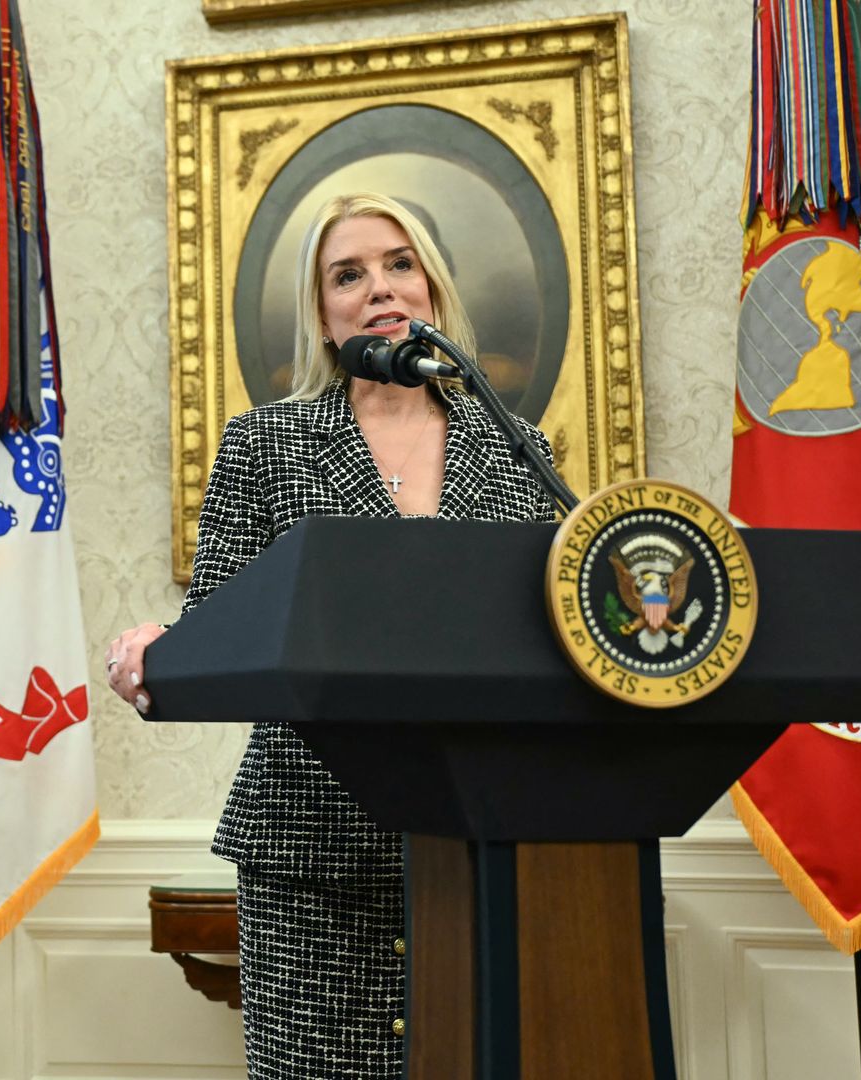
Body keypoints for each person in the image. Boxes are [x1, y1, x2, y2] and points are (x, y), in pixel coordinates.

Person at [105, 193, 557, 1075]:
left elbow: (534, 635)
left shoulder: (516, 445)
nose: (379, 288)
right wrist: (163, 648)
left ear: (431, 287)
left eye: (399, 263)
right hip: (309, 852)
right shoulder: (265, 444)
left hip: (475, 845)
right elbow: (222, 632)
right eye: (347, 275)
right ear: (321, 314)